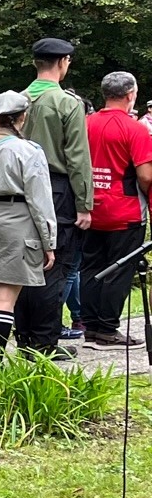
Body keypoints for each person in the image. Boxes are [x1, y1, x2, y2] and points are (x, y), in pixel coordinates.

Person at [0, 91, 58, 363]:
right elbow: (40, 201)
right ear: (22, 117)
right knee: (5, 297)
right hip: (19, 222)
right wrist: (49, 242)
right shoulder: (29, 151)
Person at [15, 38, 94, 357]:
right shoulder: (66, 103)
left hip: (19, 190)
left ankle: (24, 339)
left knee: (24, 265)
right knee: (55, 265)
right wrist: (84, 203)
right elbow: (78, 157)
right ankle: (44, 343)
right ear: (63, 62)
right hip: (56, 188)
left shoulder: (17, 100)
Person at [81, 72, 152, 347]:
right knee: (120, 270)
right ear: (130, 94)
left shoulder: (86, 123)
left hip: (89, 208)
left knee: (90, 267)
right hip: (125, 210)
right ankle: (108, 329)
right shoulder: (135, 129)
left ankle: (90, 327)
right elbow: (145, 175)